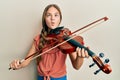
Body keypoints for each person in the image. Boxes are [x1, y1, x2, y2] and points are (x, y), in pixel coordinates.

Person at [9, 4, 89, 80]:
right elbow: (26, 61)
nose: (52, 18)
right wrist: (18, 65)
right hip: (41, 78)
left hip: (60, 79)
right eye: (48, 15)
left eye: (56, 15)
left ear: (60, 19)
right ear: (44, 19)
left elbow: (76, 66)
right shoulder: (38, 39)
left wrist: (80, 57)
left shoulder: (66, 38)